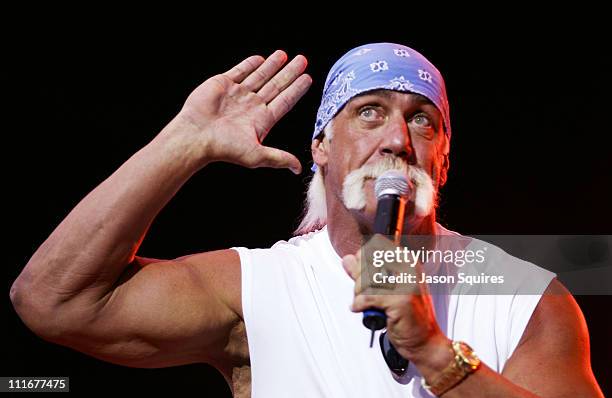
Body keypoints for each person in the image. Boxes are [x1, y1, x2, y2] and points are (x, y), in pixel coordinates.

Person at [10, 43, 603, 397]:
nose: (398, 138)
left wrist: (434, 354)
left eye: (423, 121)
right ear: (321, 147)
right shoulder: (259, 286)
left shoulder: (526, 298)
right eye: (370, 113)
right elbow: (52, 302)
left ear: (442, 158)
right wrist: (181, 146)